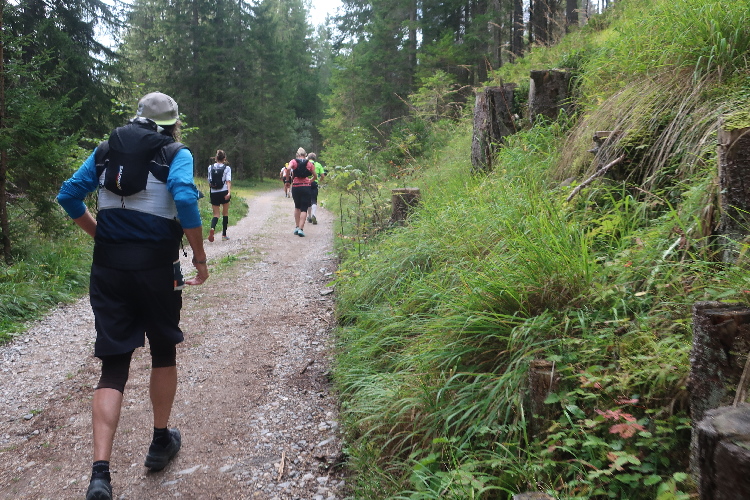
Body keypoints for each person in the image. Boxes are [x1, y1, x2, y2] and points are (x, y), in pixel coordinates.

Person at [56, 92, 209, 500]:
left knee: (113, 365)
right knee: (163, 349)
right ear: (173, 124)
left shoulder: (106, 151)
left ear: (137, 118)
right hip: (159, 270)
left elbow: (68, 195)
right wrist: (199, 257)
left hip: (109, 269)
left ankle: (100, 475)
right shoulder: (176, 153)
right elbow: (184, 196)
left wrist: (102, 236)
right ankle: (159, 441)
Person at [288, 147, 316, 237]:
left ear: (297, 154)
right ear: (305, 155)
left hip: (296, 187)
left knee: (297, 207)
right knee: (304, 208)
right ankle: (301, 229)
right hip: (306, 187)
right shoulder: (309, 163)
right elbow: (315, 176)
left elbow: (288, 169)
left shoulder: (293, 161)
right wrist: (310, 181)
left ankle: (296, 227)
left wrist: (288, 181)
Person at [207, 150, 232, 242]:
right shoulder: (227, 168)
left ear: (216, 158)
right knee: (225, 213)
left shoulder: (210, 167)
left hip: (213, 192)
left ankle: (212, 228)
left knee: (216, 214)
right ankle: (224, 235)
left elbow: (209, 181)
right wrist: (229, 192)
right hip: (224, 191)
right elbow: (228, 181)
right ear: (224, 158)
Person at [306, 152, 325, 225]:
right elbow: (322, 175)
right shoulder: (318, 164)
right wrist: (320, 181)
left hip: (306, 183)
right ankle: (314, 214)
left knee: (308, 200)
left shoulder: (306, 164)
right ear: (315, 158)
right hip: (314, 183)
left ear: (308, 158)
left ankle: (309, 216)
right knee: (314, 199)